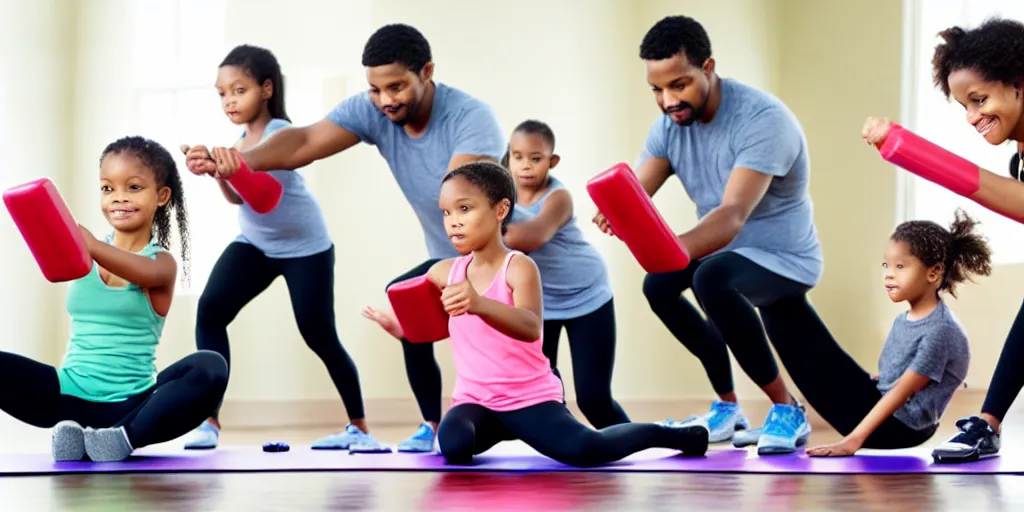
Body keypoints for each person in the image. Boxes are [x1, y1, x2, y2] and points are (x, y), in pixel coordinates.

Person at [183, 24, 505, 452]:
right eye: (375, 89)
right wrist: (238, 162)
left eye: (396, 87)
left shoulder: (471, 118)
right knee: (407, 300)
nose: (385, 100)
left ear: (427, 72)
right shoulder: (373, 110)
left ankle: (535, 408)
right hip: (445, 254)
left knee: (515, 339)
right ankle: (431, 425)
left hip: (494, 256)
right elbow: (304, 141)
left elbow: (463, 196)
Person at [363, 161, 709, 466]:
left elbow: (530, 328)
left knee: (587, 450)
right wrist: (401, 328)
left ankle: (670, 435)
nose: (452, 222)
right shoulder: (444, 272)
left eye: (464, 209)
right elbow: (432, 327)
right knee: (452, 445)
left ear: (500, 210)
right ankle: (502, 427)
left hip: (528, 397)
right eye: (446, 213)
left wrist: (481, 303)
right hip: (477, 400)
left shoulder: (519, 267)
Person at [593, 14, 823, 454]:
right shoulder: (669, 126)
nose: (667, 101)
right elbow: (638, 193)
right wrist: (618, 212)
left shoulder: (762, 119)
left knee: (708, 277)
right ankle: (728, 406)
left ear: (709, 67)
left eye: (679, 85)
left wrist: (674, 250)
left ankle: (788, 408)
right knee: (658, 285)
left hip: (783, 257)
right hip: (723, 253)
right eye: (656, 90)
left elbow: (732, 214)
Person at [179, 45, 385, 452]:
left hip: (305, 247)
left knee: (319, 334)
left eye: (239, 90)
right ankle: (209, 420)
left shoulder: (279, 136)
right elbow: (238, 198)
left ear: (266, 89)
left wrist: (230, 166)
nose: (229, 101)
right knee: (211, 310)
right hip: (256, 243)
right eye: (222, 94)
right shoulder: (238, 141)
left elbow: (265, 197)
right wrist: (216, 171)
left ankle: (359, 428)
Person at [0, 136, 227, 462]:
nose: (118, 198)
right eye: (108, 188)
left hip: (132, 406)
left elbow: (142, 272)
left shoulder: (161, 263)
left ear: (161, 196)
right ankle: (76, 431)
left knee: (210, 365)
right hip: (67, 395)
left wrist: (91, 246)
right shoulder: (83, 252)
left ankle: (121, 438)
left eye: (133, 187)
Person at [862, 17, 1024, 462]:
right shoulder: (1018, 162)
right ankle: (988, 425)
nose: (972, 117)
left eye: (979, 100)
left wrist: (907, 147)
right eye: (964, 106)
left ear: (1017, 84)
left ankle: (988, 423)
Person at [762, 210, 990, 457]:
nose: (889, 274)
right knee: (780, 308)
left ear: (933, 273)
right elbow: (900, 379)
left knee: (781, 309)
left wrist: (852, 441)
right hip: (890, 414)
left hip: (899, 428)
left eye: (900, 266)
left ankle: (788, 409)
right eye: (887, 265)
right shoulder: (907, 318)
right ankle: (772, 284)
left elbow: (902, 392)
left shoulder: (940, 331)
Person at [496, 119, 629, 428]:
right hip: (541, 305)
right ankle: (565, 447)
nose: (525, 166)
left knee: (593, 398)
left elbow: (532, 236)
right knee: (545, 395)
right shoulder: (503, 196)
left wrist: (486, 229)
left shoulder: (558, 198)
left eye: (536, 158)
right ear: (508, 157)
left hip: (586, 295)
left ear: (552, 162)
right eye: (517, 157)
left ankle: (635, 448)